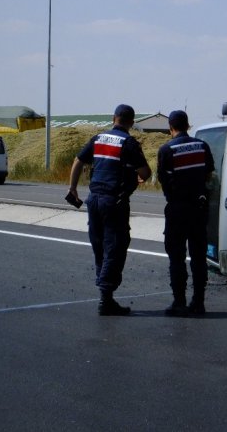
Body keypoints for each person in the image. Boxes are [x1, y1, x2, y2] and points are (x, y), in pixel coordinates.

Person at [68, 104, 152, 316]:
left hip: (93, 200)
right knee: (115, 245)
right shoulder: (129, 143)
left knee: (99, 245)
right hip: (113, 202)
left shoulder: (98, 138)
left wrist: (73, 189)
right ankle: (106, 298)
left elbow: (78, 160)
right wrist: (137, 175)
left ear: (113, 118)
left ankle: (106, 295)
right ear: (131, 122)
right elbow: (145, 172)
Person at [157, 110, 215, 316]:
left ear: (170, 127)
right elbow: (209, 173)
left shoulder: (166, 150)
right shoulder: (202, 146)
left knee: (177, 257)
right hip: (199, 208)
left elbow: (164, 180)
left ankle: (179, 302)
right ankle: (198, 302)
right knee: (199, 257)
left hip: (177, 208)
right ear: (188, 126)